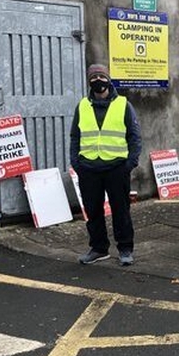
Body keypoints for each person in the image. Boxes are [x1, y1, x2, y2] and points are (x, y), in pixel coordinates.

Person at [70, 64, 142, 266]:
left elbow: (134, 137)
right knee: (93, 212)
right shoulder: (82, 105)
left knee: (121, 211)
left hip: (116, 168)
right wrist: (76, 163)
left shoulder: (123, 104)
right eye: (93, 78)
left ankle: (125, 249)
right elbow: (75, 136)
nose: (97, 81)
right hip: (89, 169)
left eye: (101, 77)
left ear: (109, 80)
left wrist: (130, 163)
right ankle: (99, 249)